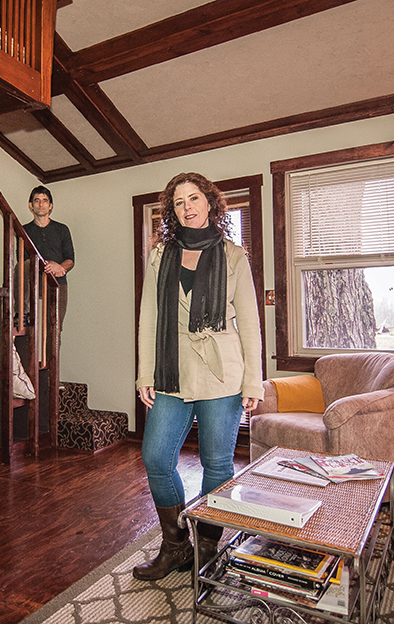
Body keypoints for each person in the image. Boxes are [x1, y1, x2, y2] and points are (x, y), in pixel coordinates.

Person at [133, 172, 263, 581]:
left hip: (221, 374)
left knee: (217, 463)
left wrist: (253, 381)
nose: (187, 207)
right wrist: (144, 374)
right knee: (156, 457)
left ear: (209, 202)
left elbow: (252, 324)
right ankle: (176, 547)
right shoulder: (160, 256)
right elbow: (149, 317)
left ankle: (208, 546)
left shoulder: (234, 256)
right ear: (171, 211)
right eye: (178, 202)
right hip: (171, 371)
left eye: (193, 198)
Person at [22, 186, 75, 330]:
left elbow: (70, 259)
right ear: (30, 205)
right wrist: (48, 265)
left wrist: (59, 267)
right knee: (26, 327)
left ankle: (51, 354)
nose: (41, 204)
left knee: (54, 329)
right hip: (32, 283)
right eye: (37, 200)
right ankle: (21, 314)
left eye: (45, 201)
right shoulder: (24, 230)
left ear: (50, 206)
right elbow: (24, 260)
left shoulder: (62, 229)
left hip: (58, 283)